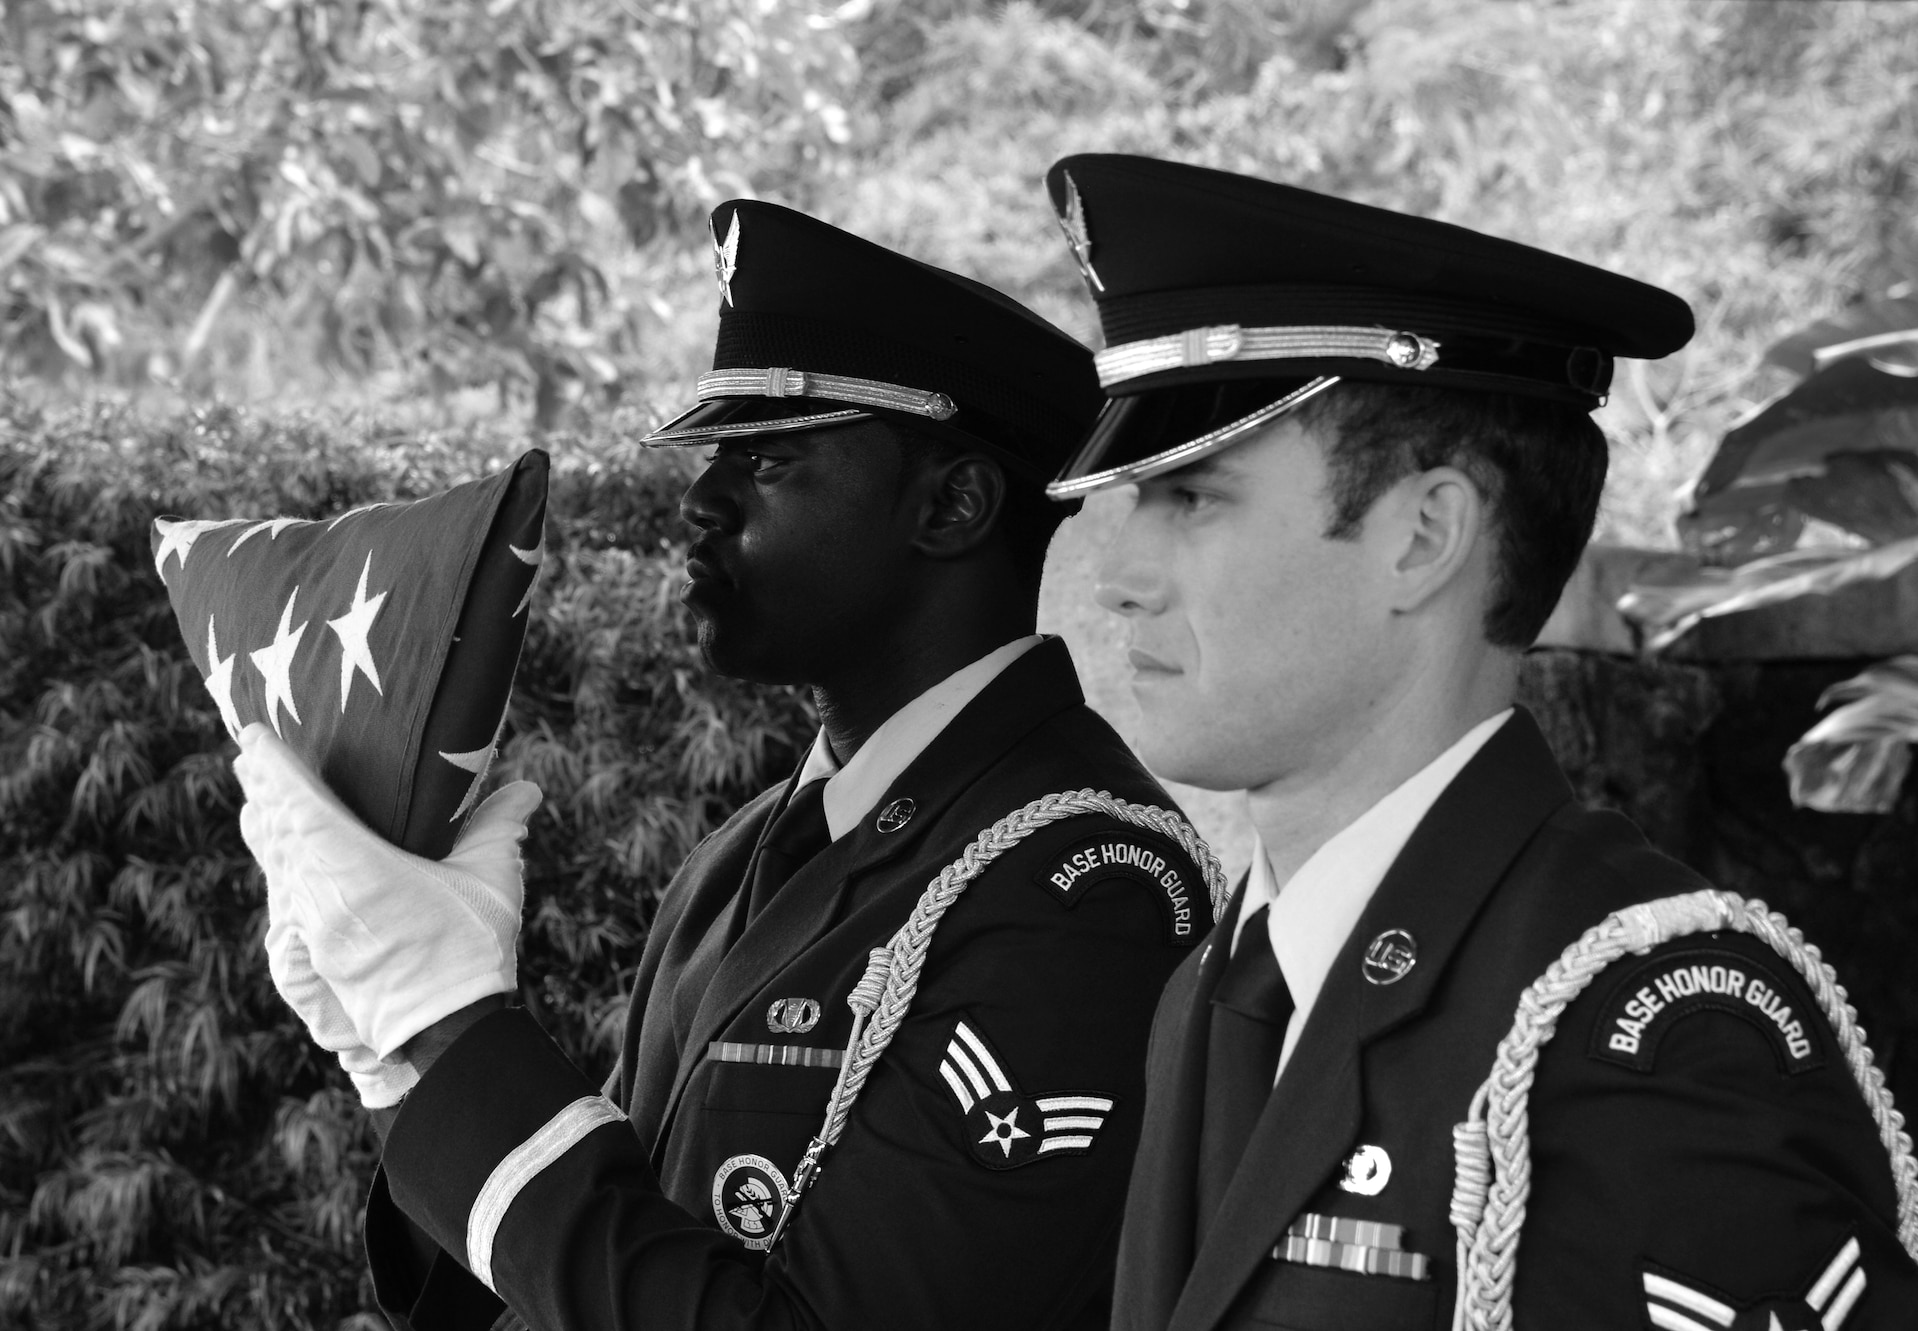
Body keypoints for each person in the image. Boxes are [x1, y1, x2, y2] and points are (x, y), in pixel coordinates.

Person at [235, 200, 1221, 1331]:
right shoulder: (742, 856)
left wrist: (449, 1021)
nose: (699, 501)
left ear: (951, 504)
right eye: (715, 455)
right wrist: (397, 1056)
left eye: (771, 458)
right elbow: (575, 1274)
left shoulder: (1084, 886)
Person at [1038, 154, 1918, 1330]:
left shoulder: (1647, 1037)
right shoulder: (1212, 993)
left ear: (1421, 537)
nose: (1115, 576)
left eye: (1193, 496)